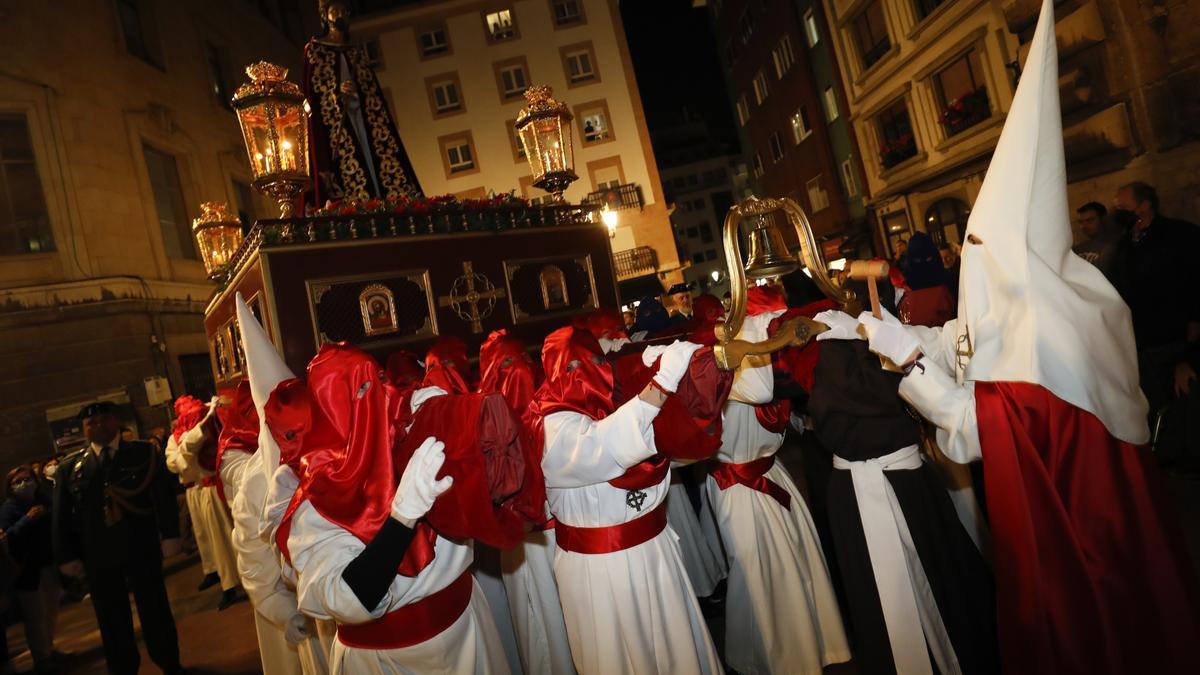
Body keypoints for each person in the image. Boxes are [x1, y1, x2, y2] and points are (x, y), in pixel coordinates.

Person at [858, 3, 1200, 672]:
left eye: (980, 243)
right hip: (1115, 523)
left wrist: (907, 364)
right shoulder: (1070, 298)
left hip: (1074, 537)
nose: (974, 255)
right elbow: (971, 341)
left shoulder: (1038, 332)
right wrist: (909, 336)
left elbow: (976, 427)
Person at [810, 296, 997, 675]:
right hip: (878, 486)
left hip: (903, 481)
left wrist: (900, 345)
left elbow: (948, 349)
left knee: (943, 594)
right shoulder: (834, 359)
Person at [532, 326, 722, 673]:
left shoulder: (615, 401)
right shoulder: (550, 425)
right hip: (600, 570)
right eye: (572, 368)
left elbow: (668, 444)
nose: (583, 374)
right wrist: (661, 384)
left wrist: (663, 368)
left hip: (656, 550)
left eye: (591, 362)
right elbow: (600, 447)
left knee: (677, 648)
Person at [706, 285, 849, 675]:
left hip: (771, 473)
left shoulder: (760, 362)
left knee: (793, 566)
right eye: (771, 326)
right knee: (758, 576)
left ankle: (804, 645)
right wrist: (767, 340)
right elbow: (761, 389)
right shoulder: (732, 363)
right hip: (739, 486)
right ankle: (771, 655)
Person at [52, 401, 183, 675]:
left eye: (103, 420)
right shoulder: (70, 468)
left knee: (155, 608)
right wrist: (66, 556)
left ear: (115, 422)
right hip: (99, 555)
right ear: (84, 429)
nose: (98, 426)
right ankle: (122, 668)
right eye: (91, 423)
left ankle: (168, 661)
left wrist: (170, 534)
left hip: (140, 545)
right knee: (111, 617)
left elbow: (163, 497)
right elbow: (61, 516)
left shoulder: (143, 453)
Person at [478, 330, 575, 675]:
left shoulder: (552, 406)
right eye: (506, 364)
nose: (516, 370)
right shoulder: (484, 423)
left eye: (520, 360)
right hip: (524, 536)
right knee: (540, 617)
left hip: (558, 531)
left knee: (564, 612)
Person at [1111, 181, 1200, 449]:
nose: (1118, 210)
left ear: (1145, 205)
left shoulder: (1180, 235)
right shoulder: (1125, 244)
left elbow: (1194, 282)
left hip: (1174, 335)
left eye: (1123, 205)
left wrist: (1193, 331)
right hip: (1141, 338)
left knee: (1180, 397)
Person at [165, 396, 243, 611]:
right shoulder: (181, 434)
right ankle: (223, 577)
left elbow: (188, 453)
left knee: (225, 538)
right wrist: (185, 453)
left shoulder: (211, 427)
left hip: (212, 487)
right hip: (200, 488)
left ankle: (233, 583)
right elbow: (175, 461)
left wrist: (185, 453)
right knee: (210, 538)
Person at [0, 467, 60, 674]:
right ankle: (41, 658)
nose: (24, 484)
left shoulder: (43, 500)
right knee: (35, 616)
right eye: (18, 481)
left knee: (50, 611)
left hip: (47, 563)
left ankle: (49, 649)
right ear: (10, 487)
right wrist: (27, 519)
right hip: (26, 569)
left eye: (27, 479)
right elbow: (7, 536)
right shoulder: (10, 508)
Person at [899, 232, 955, 327]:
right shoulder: (951, 282)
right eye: (918, 260)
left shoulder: (904, 292)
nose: (923, 264)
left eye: (928, 258)